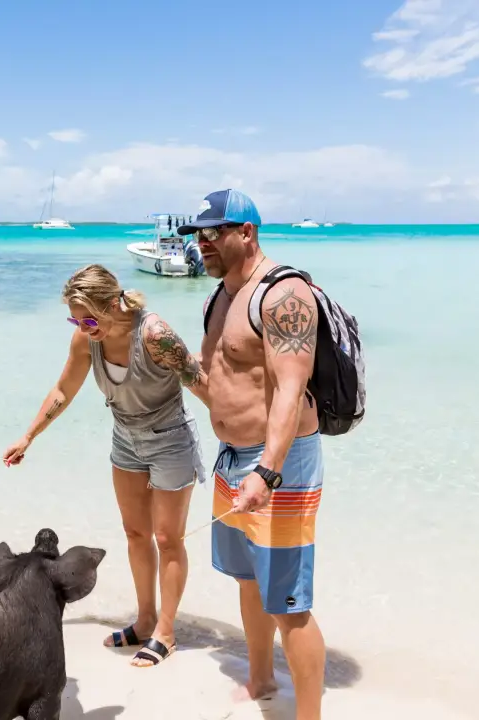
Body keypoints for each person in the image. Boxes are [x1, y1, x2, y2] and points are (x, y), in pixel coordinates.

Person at [3, 264, 209, 668]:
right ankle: (145, 619)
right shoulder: (86, 338)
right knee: (136, 533)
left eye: (91, 317)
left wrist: (246, 441)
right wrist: (29, 436)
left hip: (171, 440)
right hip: (126, 440)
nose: (84, 326)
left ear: (114, 301)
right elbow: (64, 389)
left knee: (168, 539)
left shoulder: (155, 335)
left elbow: (200, 383)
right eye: (76, 319)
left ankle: (166, 631)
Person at [177, 190, 325, 719]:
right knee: (247, 577)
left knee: (289, 601)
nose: (201, 242)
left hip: (277, 464)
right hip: (231, 456)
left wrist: (268, 468)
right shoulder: (217, 297)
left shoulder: (283, 294)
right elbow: (221, 378)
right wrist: (171, 360)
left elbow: (290, 387)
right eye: (196, 233)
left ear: (248, 232)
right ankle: (260, 678)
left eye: (212, 232)